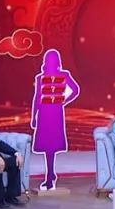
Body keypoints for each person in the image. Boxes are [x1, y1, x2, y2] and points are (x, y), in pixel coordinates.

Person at [30, 49, 81, 191]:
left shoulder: (63, 75)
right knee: (48, 146)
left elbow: (75, 90)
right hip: (46, 115)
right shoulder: (41, 78)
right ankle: (50, 175)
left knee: (50, 146)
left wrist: (63, 100)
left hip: (54, 115)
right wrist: (34, 116)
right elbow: (37, 98)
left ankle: (50, 176)